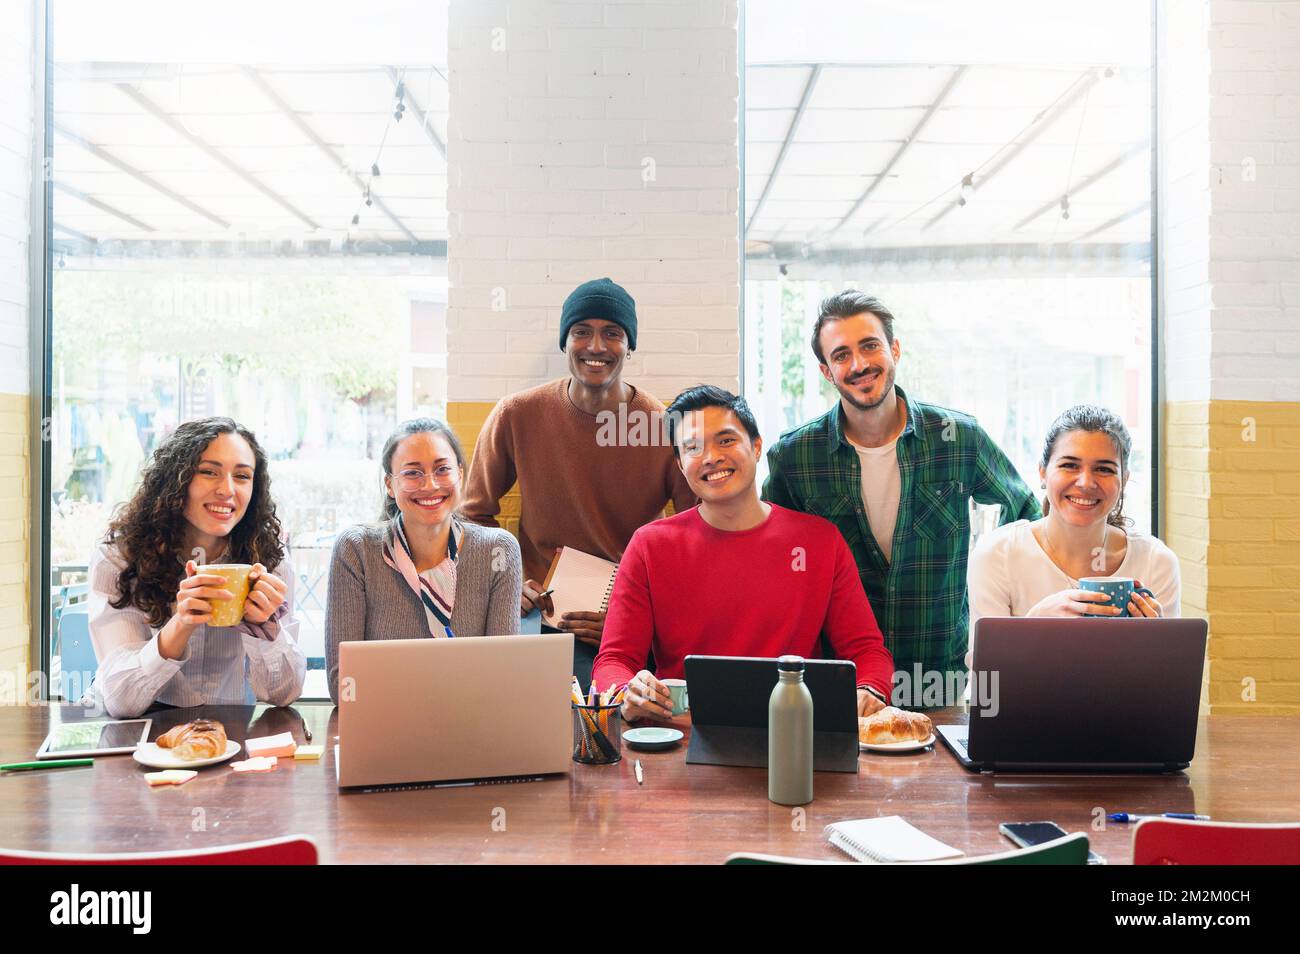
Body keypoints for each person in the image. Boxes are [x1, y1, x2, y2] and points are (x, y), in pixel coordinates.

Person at [763, 290, 1040, 692]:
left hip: (939, 676)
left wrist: (994, 603)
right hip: (837, 676)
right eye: (841, 355)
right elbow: (770, 559)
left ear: (894, 349)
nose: (859, 364)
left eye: (870, 346)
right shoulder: (795, 456)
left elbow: (1027, 514)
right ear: (826, 371)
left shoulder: (958, 438)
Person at [593, 385, 894, 723]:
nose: (710, 457)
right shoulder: (649, 546)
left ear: (756, 446)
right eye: (693, 447)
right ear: (680, 465)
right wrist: (625, 691)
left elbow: (867, 651)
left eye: (726, 440)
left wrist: (869, 690)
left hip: (795, 732)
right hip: (682, 736)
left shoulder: (821, 541)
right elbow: (614, 661)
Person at [462, 277, 695, 687]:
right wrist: (508, 581)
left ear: (629, 345)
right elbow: (472, 516)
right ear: (565, 342)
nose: (596, 346)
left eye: (613, 333)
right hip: (540, 613)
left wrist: (635, 613)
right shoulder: (517, 414)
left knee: (619, 712)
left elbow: (694, 538)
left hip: (627, 614)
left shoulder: (663, 426)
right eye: (581, 331)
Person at [89, 417, 304, 718]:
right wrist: (180, 625)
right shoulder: (120, 558)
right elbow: (120, 701)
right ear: (175, 479)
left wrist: (264, 628)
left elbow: (284, 694)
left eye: (242, 476)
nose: (227, 490)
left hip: (230, 736)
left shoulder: (269, 561)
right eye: (208, 472)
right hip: (137, 735)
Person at [326, 418, 522, 704]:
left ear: (460, 476)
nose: (430, 485)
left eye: (442, 469)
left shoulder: (499, 550)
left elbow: (503, 676)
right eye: (412, 473)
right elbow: (342, 684)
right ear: (390, 485)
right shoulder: (356, 550)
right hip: (384, 728)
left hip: (473, 727)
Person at [967, 404, 1179, 650]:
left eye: (1104, 469)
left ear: (1125, 480)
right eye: (1070, 465)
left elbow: (1166, 683)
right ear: (1043, 472)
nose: (1086, 482)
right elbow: (987, 680)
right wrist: (1032, 627)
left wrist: (1160, 648)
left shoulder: (1156, 561)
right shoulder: (997, 555)